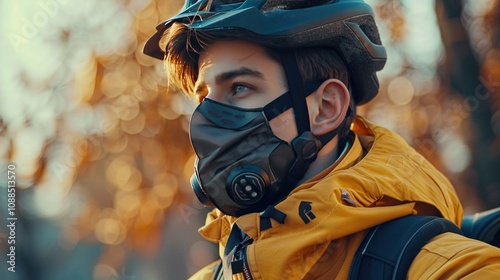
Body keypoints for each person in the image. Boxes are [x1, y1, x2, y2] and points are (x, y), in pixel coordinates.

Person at [144, 0, 500, 279]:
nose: (206, 120)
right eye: (204, 97)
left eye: (239, 88)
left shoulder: (451, 269)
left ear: (326, 107)